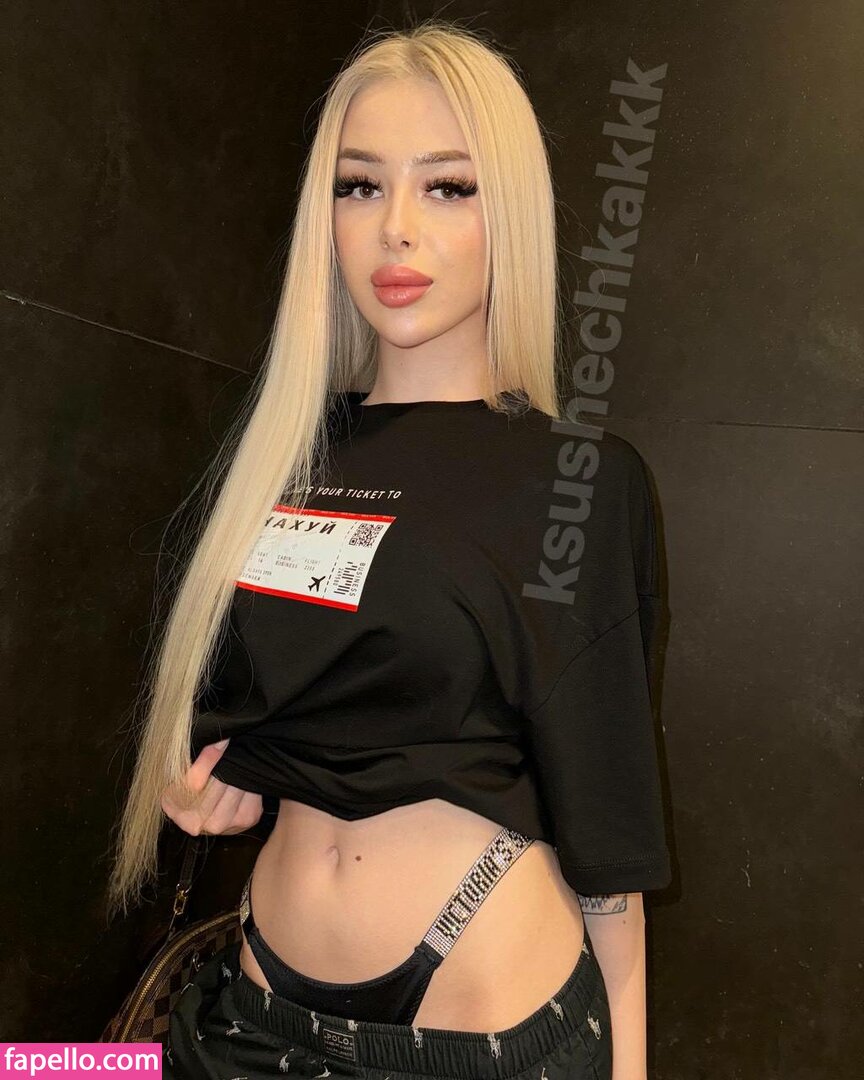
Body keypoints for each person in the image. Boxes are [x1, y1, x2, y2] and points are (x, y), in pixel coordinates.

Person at [106, 19, 672, 1080]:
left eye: (447, 187)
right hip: (258, 1012)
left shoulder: (578, 481)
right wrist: (207, 788)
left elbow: (610, 834)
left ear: (509, 211)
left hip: (478, 1022)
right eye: (360, 186)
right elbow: (248, 717)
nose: (395, 229)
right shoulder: (279, 455)